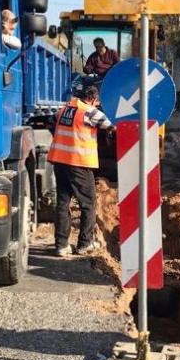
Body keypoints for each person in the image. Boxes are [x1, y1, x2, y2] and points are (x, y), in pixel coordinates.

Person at [48, 85, 112, 257]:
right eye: (97, 102)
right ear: (92, 99)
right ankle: (85, 243)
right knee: (89, 203)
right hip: (78, 162)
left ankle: (61, 245)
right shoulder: (90, 112)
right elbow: (110, 125)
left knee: (62, 203)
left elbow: (52, 123)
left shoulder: (64, 109)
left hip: (59, 161)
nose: (97, 105)